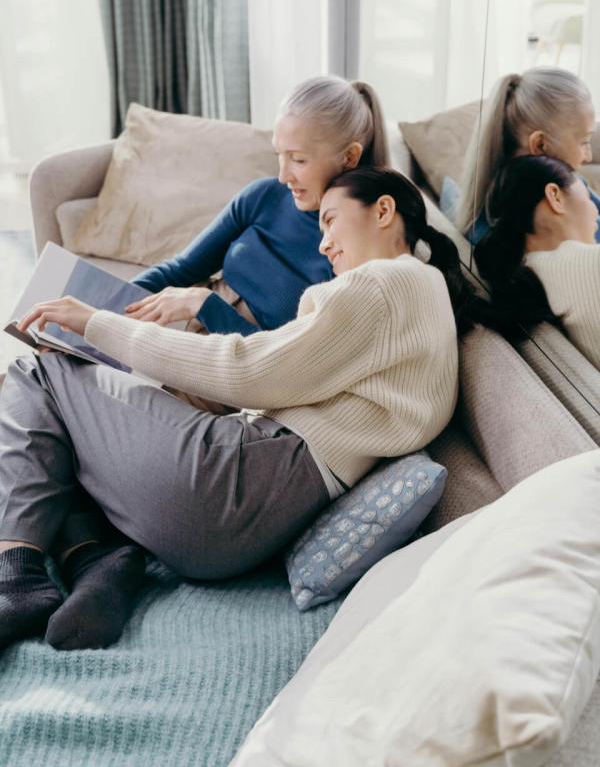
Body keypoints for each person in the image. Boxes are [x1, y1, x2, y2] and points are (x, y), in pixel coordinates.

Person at [0, 167, 480, 655]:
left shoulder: (385, 282)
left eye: (331, 221)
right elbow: (278, 383)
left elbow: (250, 370)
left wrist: (96, 324)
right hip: (246, 530)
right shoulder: (422, 295)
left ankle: (15, 574)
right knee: (72, 419)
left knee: (36, 371)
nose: (324, 245)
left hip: (233, 482)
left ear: (383, 210)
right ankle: (93, 559)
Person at [124, 75, 390, 337]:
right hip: (184, 339)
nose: (283, 176)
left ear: (350, 156)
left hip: (237, 367)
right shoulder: (264, 196)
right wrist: (107, 303)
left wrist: (204, 304)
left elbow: (286, 363)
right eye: (280, 155)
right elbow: (179, 270)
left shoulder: (355, 251)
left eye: (298, 160)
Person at [473, 154, 600, 370]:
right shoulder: (591, 264)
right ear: (555, 197)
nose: (595, 211)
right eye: (588, 197)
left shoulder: (526, 279)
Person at [455, 67, 600, 244]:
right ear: (540, 145)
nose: (588, 156)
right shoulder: (500, 239)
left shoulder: (572, 185)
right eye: (584, 142)